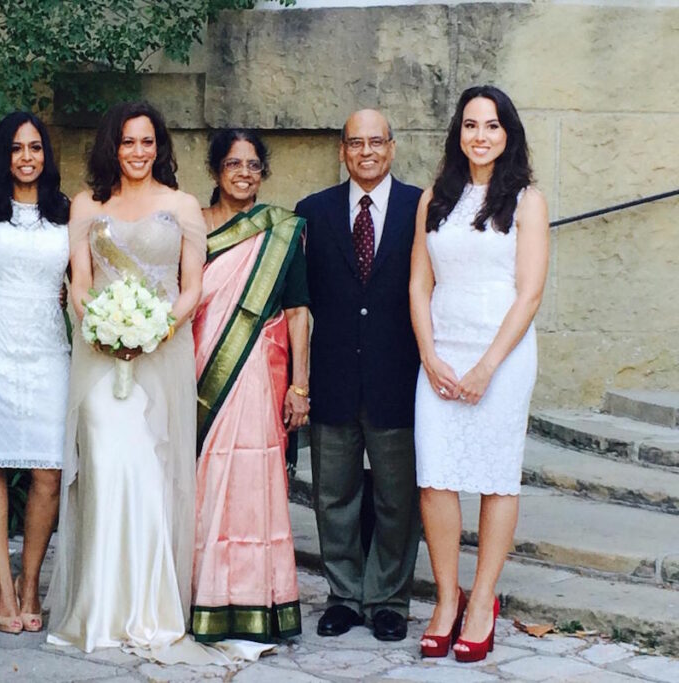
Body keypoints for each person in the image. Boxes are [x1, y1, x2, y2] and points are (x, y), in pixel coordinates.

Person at [45, 101, 209, 658]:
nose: (138, 152)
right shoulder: (88, 205)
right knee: (107, 470)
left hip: (162, 355)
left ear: (159, 146)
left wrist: (159, 327)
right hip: (99, 356)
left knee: (149, 474)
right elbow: (80, 283)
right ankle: (98, 606)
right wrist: (103, 327)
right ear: (110, 147)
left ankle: (148, 606)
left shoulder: (183, 206)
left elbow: (192, 286)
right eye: (127, 142)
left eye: (147, 142)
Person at [410, 85, 548, 662]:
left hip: (503, 355)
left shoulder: (527, 200)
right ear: (458, 133)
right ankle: (447, 597)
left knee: (495, 476)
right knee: (436, 475)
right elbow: (419, 284)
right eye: (470, 125)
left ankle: (483, 598)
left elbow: (530, 292)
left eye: (492, 126)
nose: (481, 136)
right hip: (441, 353)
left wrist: (488, 365)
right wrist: (430, 355)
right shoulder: (434, 198)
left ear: (508, 134)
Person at [295, 109, 423, 643]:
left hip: (400, 378)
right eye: (355, 143)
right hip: (334, 378)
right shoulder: (313, 211)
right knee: (333, 496)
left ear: (391, 148)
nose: (366, 151)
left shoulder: (423, 208)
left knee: (398, 499)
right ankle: (345, 596)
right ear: (343, 151)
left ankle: (389, 600)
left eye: (376, 142)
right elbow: (301, 303)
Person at [190, 129, 308, 643]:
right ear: (215, 170)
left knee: (253, 485)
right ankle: (203, 596)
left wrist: (299, 385)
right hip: (196, 372)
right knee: (203, 482)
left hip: (257, 374)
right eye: (234, 164)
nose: (244, 173)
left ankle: (260, 601)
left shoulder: (281, 232)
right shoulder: (189, 228)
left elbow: (300, 311)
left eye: (253, 165)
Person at [0, 112, 71, 634]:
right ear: (3, 155)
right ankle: (1, 586)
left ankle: (31, 583)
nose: (27, 157)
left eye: (36, 148)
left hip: (48, 351)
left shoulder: (69, 215)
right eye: (17, 148)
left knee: (48, 471)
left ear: (46, 155)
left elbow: (87, 285)